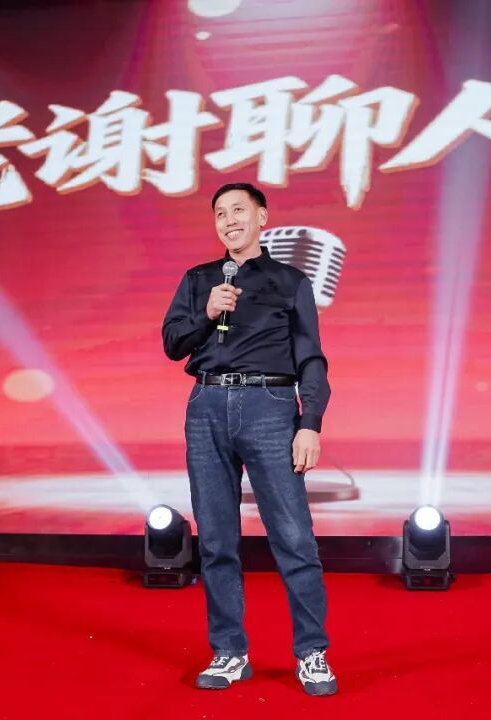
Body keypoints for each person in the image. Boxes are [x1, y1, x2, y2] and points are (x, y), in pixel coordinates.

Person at [161, 182, 336, 696]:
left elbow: (311, 356)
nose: (229, 220)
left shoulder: (290, 281)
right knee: (216, 539)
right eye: (220, 213)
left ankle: (312, 653)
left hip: (271, 407)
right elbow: (172, 343)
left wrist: (310, 422)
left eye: (239, 210)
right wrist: (206, 312)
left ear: (262, 217)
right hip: (207, 405)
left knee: (294, 537)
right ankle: (229, 652)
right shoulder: (199, 280)